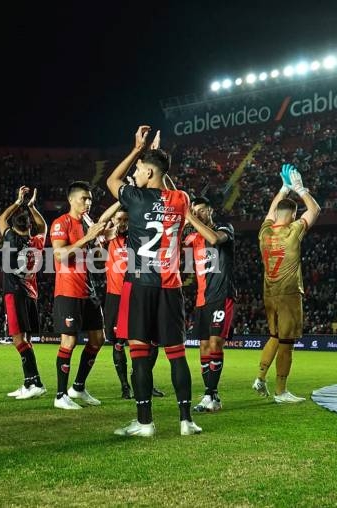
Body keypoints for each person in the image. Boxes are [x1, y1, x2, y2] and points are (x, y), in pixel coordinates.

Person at [107, 125, 200, 437]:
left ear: (147, 172)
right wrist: (155, 158)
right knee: (177, 355)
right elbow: (168, 188)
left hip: (139, 284)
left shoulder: (134, 198)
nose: (136, 173)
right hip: (171, 288)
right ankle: (186, 420)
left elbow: (111, 180)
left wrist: (137, 150)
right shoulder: (181, 199)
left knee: (140, 354)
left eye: (140, 170)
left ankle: (144, 422)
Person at [252, 164, 320, 403]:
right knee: (287, 343)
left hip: (269, 293)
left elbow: (271, 213)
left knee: (274, 336)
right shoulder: (293, 231)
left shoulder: (265, 232)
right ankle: (281, 391)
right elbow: (315, 209)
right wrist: (300, 189)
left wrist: (283, 189)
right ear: (292, 215)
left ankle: (260, 378)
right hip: (289, 293)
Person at [50, 183, 116, 410]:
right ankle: (60, 395)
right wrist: (88, 238)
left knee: (98, 339)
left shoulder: (87, 222)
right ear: (71, 199)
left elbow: (100, 246)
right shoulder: (61, 223)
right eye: (84, 199)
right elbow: (60, 255)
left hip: (88, 290)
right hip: (68, 290)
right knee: (68, 341)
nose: (88, 203)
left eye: (90, 199)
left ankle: (77, 387)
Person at [104, 206, 166, 400]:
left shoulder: (138, 237)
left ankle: (143, 380)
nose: (122, 223)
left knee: (152, 341)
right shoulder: (109, 238)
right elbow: (101, 226)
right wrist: (120, 201)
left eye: (126, 220)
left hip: (139, 294)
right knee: (118, 343)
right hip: (116, 297)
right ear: (113, 220)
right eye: (119, 219)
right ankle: (125, 387)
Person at [183, 197, 235, 412]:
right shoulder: (194, 237)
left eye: (202, 210)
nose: (199, 214)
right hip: (202, 299)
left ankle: (210, 395)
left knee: (215, 344)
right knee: (203, 347)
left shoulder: (225, 229)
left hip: (222, 295)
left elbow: (214, 239)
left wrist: (188, 216)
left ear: (211, 210)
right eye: (195, 211)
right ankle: (211, 396)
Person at [0, 186, 48, 400]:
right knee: (26, 339)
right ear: (29, 227)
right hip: (31, 294)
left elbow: (1, 219)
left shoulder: (9, 238)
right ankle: (29, 383)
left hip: (14, 293)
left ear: (14, 226)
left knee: (18, 340)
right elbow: (44, 226)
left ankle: (35, 381)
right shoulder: (37, 242)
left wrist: (18, 201)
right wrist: (32, 206)